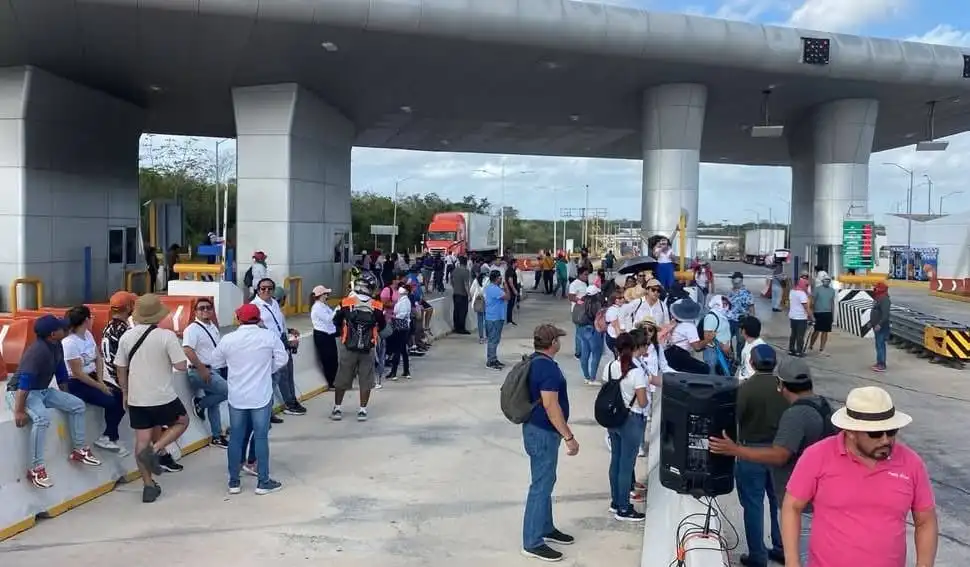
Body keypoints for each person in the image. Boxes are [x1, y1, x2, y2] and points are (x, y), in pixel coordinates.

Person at [782, 386, 937, 567]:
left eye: (891, 431)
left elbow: (925, 521)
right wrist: (792, 562)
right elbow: (792, 507)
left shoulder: (911, 463)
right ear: (851, 432)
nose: (885, 440)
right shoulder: (817, 456)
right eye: (875, 433)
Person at [709, 358, 835, 564]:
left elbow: (779, 455)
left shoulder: (795, 415)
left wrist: (735, 450)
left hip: (801, 504)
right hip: (820, 497)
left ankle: (759, 556)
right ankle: (780, 549)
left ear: (781, 385)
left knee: (757, 509)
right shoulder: (825, 406)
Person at [6, 314, 101, 489]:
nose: (66, 329)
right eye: (61, 328)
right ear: (52, 334)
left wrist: (65, 397)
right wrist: (19, 411)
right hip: (20, 392)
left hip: (43, 390)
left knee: (77, 405)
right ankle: (36, 469)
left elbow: (61, 372)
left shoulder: (57, 345)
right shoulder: (37, 352)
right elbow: (24, 383)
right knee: (42, 418)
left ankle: (79, 450)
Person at [114, 294, 190, 503]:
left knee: (141, 440)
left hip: (137, 398)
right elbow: (181, 366)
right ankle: (156, 450)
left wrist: (125, 392)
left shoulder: (127, 337)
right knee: (182, 421)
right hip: (163, 396)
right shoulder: (166, 336)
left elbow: (120, 367)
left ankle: (148, 486)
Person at [720, 344, 787, 566]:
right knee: (779, 504)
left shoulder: (745, 389)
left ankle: (758, 556)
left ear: (751, 363)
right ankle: (782, 547)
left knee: (753, 505)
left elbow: (734, 420)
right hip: (779, 453)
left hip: (750, 453)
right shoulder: (784, 388)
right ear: (775, 363)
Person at [213, 303, 289, 496]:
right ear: (259, 318)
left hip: (237, 395)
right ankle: (263, 481)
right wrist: (267, 370)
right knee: (261, 437)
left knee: (236, 438)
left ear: (238, 319)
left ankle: (234, 482)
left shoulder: (229, 339)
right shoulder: (268, 336)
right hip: (261, 394)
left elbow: (215, 361)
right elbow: (282, 359)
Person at [521, 324, 578, 562]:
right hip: (544, 433)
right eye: (558, 339)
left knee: (546, 480)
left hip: (535, 430)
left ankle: (545, 527)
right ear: (553, 342)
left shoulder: (534, 362)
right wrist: (569, 437)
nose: (560, 342)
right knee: (541, 486)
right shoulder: (548, 369)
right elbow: (551, 406)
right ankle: (532, 542)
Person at [62, 305, 127, 455]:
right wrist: (99, 386)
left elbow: (98, 358)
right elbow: (78, 373)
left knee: (120, 395)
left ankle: (110, 435)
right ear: (86, 320)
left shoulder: (88, 335)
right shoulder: (69, 343)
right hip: (76, 382)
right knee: (111, 401)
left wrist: (101, 380)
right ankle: (110, 436)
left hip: (92, 376)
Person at [603, 332, 649, 522]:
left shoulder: (610, 367)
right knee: (626, 465)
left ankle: (615, 502)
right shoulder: (636, 372)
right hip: (632, 420)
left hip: (613, 419)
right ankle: (624, 508)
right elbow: (643, 401)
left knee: (615, 460)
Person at [331, 273, 386, 422]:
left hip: (348, 347)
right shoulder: (377, 306)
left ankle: (337, 408)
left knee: (342, 377)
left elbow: (335, 320)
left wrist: (343, 333)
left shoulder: (346, 302)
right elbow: (382, 326)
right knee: (366, 380)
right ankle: (362, 410)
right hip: (368, 348)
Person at [251, 278, 305, 417]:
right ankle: (288, 404)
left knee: (289, 374)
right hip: (271, 346)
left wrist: (289, 332)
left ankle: (292, 401)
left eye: (270, 288)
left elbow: (278, 323)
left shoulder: (274, 303)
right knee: (279, 378)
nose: (266, 291)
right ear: (258, 290)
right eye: (263, 288)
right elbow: (259, 328)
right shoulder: (254, 307)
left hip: (282, 342)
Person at [182, 297, 229, 449]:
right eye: (201, 308)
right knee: (229, 391)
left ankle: (216, 436)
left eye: (208, 307)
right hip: (200, 371)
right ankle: (200, 404)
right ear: (195, 311)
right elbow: (187, 349)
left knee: (215, 404)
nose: (205, 310)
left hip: (215, 369)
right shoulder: (192, 329)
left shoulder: (212, 327)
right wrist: (202, 369)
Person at [664, 298, 710, 374]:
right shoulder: (690, 326)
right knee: (704, 369)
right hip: (679, 355)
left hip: (669, 352)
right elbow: (697, 347)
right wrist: (707, 340)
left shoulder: (675, 323)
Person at [310, 285, 339, 390]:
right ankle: (331, 382)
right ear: (320, 295)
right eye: (325, 294)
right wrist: (337, 309)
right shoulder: (317, 307)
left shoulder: (324, 306)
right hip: (322, 335)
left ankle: (336, 380)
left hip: (329, 334)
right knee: (327, 359)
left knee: (333, 358)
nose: (327, 296)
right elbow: (328, 319)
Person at [386, 282, 413, 380]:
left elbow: (402, 315)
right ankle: (406, 371)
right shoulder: (402, 300)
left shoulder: (405, 301)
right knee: (403, 350)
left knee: (397, 349)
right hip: (403, 327)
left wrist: (392, 316)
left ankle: (394, 372)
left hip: (401, 327)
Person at [701, 294, 733, 375]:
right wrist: (722, 346)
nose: (726, 306)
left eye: (727, 304)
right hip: (713, 353)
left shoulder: (722, 315)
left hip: (723, 351)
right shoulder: (711, 317)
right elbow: (707, 337)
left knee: (722, 374)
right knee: (713, 375)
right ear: (716, 304)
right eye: (723, 304)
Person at [484, 269, 510, 370]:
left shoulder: (493, 288)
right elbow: (508, 297)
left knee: (495, 340)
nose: (501, 280)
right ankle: (490, 361)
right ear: (496, 279)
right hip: (494, 318)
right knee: (493, 340)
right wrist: (506, 287)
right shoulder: (494, 289)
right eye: (500, 278)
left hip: (496, 317)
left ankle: (493, 358)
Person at [808, 274, 835, 355]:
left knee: (825, 331)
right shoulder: (817, 289)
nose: (827, 281)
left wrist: (832, 314)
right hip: (818, 313)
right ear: (822, 281)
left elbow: (832, 302)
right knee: (817, 331)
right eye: (825, 280)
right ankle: (811, 345)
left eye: (828, 280)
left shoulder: (832, 290)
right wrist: (811, 314)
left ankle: (822, 348)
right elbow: (812, 302)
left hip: (828, 313)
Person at [788, 274, 813, 357]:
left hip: (792, 316)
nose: (807, 287)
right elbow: (806, 307)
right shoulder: (802, 294)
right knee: (800, 335)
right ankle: (799, 351)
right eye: (806, 285)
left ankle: (791, 350)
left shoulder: (792, 291)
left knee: (793, 334)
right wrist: (812, 317)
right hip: (801, 317)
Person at [870, 282, 892, 372]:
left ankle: (882, 364)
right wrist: (871, 323)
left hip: (881, 326)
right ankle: (879, 362)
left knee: (880, 345)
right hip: (876, 325)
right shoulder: (878, 297)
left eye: (876, 288)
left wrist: (879, 324)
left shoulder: (885, 299)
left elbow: (885, 315)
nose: (874, 289)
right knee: (878, 345)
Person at [737, 316, 766, 381]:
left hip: (747, 383)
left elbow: (753, 376)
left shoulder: (755, 351)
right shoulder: (749, 341)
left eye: (741, 328)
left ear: (744, 331)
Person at [451, 256, 472, 334]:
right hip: (463, 294)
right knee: (463, 311)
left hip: (455, 293)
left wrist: (455, 287)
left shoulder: (455, 270)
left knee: (456, 311)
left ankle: (456, 327)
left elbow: (451, 280)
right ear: (466, 263)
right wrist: (469, 294)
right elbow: (466, 284)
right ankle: (461, 328)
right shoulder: (466, 271)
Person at [604, 291, 625, 358]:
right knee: (619, 357)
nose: (622, 299)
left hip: (617, 336)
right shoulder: (612, 310)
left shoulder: (620, 308)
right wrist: (621, 340)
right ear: (614, 300)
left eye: (623, 297)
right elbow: (615, 326)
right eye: (619, 298)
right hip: (615, 338)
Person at [470, 268, 487, 344]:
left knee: (480, 320)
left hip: (479, 300)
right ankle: (488, 336)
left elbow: (471, 291)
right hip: (487, 301)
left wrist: (474, 296)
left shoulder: (476, 280)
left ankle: (481, 338)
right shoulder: (488, 280)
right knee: (487, 319)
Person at [505, 259, 520, 326]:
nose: (518, 264)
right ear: (514, 263)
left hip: (511, 290)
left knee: (511, 305)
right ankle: (509, 320)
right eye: (517, 263)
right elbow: (510, 281)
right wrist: (514, 290)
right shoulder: (510, 270)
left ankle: (510, 320)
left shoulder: (512, 270)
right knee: (510, 306)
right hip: (511, 291)